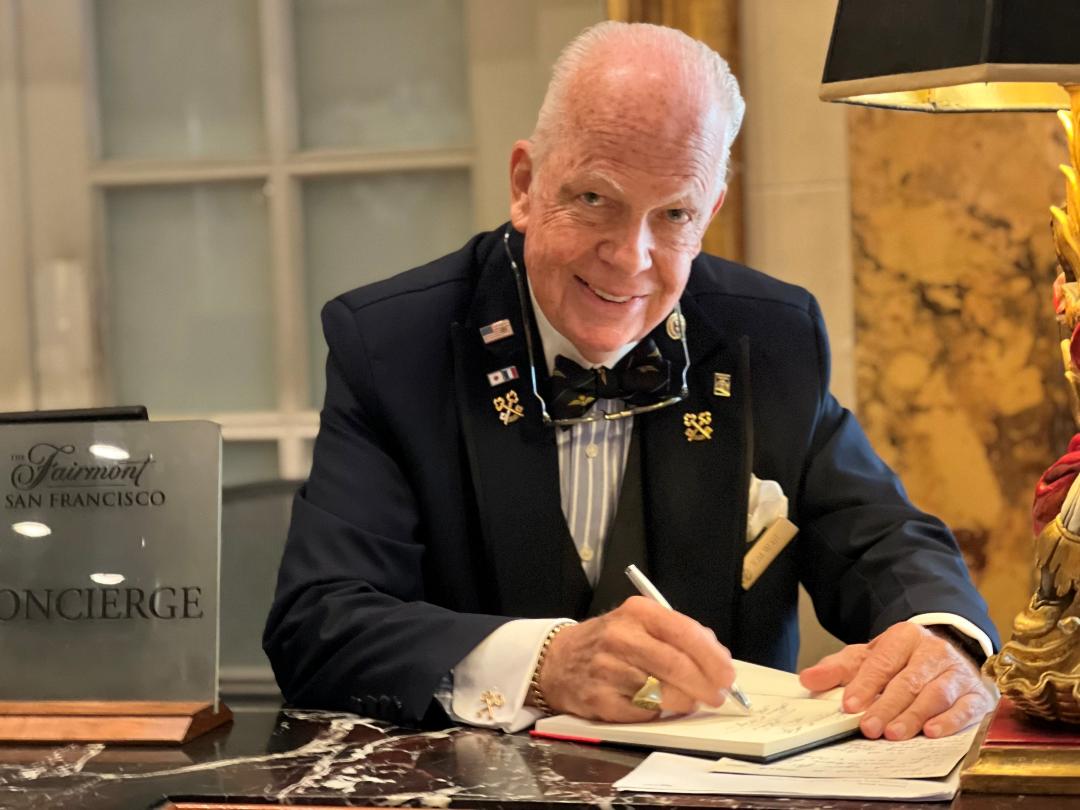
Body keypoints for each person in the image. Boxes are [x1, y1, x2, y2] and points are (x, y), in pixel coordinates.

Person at [264, 21, 998, 742]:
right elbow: (319, 624)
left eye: (673, 214)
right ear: (525, 184)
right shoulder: (394, 343)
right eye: (594, 199)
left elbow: (885, 538)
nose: (630, 258)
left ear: (708, 213)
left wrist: (941, 637)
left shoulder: (770, 335)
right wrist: (543, 663)